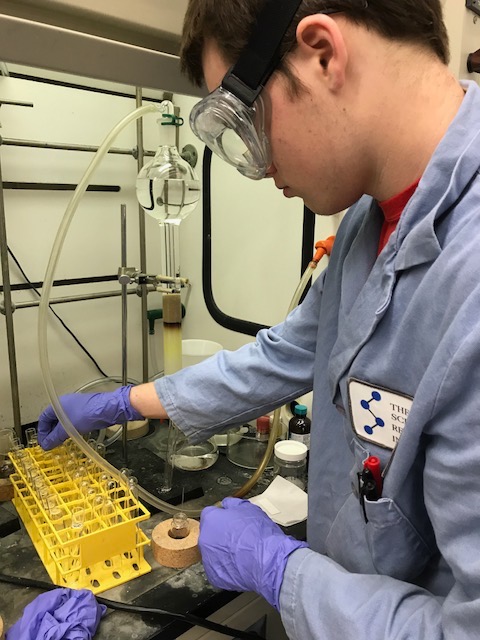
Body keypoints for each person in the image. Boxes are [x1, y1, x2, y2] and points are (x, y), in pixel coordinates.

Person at [37, 0, 480, 637]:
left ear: (322, 53)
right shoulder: (368, 222)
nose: (258, 163)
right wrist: (123, 402)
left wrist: (280, 572)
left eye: (244, 118)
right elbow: (283, 355)